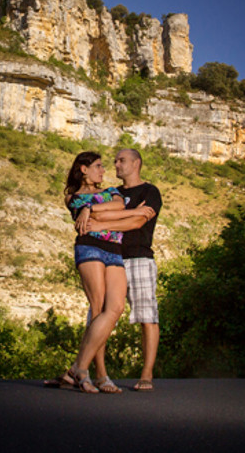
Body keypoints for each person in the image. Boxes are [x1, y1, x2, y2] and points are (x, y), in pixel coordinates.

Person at [51, 150, 155, 393]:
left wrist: (91, 210)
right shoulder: (72, 197)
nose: (104, 170)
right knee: (97, 309)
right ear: (84, 169)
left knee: (115, 309)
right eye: (98, 166)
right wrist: (136, 211)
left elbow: (117, 209)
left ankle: (78, 368)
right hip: (90, 249)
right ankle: (98, 374)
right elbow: (93, 214)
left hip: (113, 250)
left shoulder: (112, 192)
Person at [92, 147, 162, 391]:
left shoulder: (150, 191)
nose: (116, 165)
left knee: (147, 316)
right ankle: (100, 374)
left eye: (121, 160)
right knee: (100, 313)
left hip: (140, 258)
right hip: (111, 258)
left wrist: (110, 221)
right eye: (114, 161)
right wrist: (127, 216)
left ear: (136, 163)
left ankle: (146, 375)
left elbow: (138, 222)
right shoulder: (113, 194)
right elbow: (99, 219)